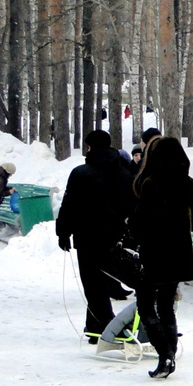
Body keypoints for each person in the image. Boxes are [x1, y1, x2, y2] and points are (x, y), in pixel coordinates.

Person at [129, 136, 193, 378]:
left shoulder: (151, 183)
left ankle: (165, 355)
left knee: (145, 305)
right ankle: (168, 355)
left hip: (155, 252)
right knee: (166, 305)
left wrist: (133, 227)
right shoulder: (189, 183)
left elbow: (140, 225)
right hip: (179, 253)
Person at [56, 130, 135, 343]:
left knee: (93, 284)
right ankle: (94, 326)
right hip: (116, 237)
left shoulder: (81, 173)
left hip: (88, 237)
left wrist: (63, 231)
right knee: (104, 282)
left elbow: (69, 205)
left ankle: (104, 326)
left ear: (89, 147)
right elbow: (131, 205)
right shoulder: (124, 173)